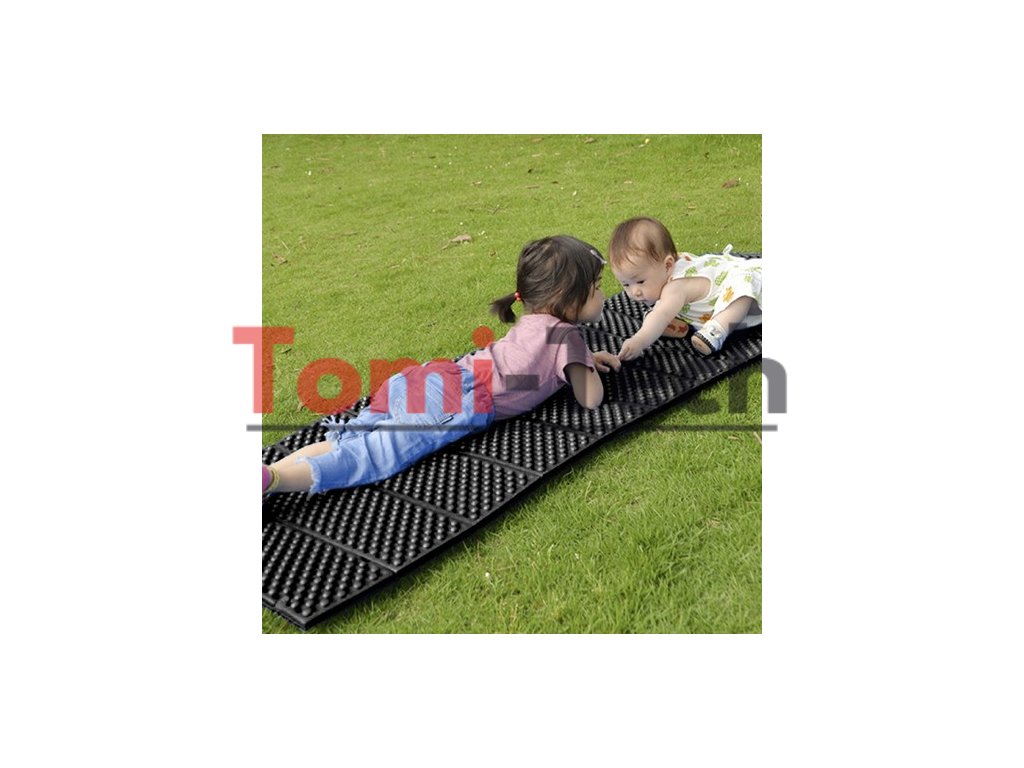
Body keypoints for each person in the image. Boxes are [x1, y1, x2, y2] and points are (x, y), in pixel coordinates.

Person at [262, 235, 622, 495]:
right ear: (565, 299)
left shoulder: (533, 320)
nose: (602, 295)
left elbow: (535, 360)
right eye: (596, 288)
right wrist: (585, 365)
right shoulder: (566, 337)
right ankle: (277, 482)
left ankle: (269, 472)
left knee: (352, 435)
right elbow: (591, 398)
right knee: (372, 457)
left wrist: (582, 360)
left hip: (434, 375)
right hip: (455, 402)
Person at [607, 217, 761, 360]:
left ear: (668, 265)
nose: (634, 292)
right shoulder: (663, 269)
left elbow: (661, 314)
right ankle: (676, 324)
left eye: (640, 281)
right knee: (660, 313)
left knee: (743, 289)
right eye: (626, 284)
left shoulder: (675, 288)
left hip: (754, 291)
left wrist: (639, 340)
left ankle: (717, 330)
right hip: (712, 297)